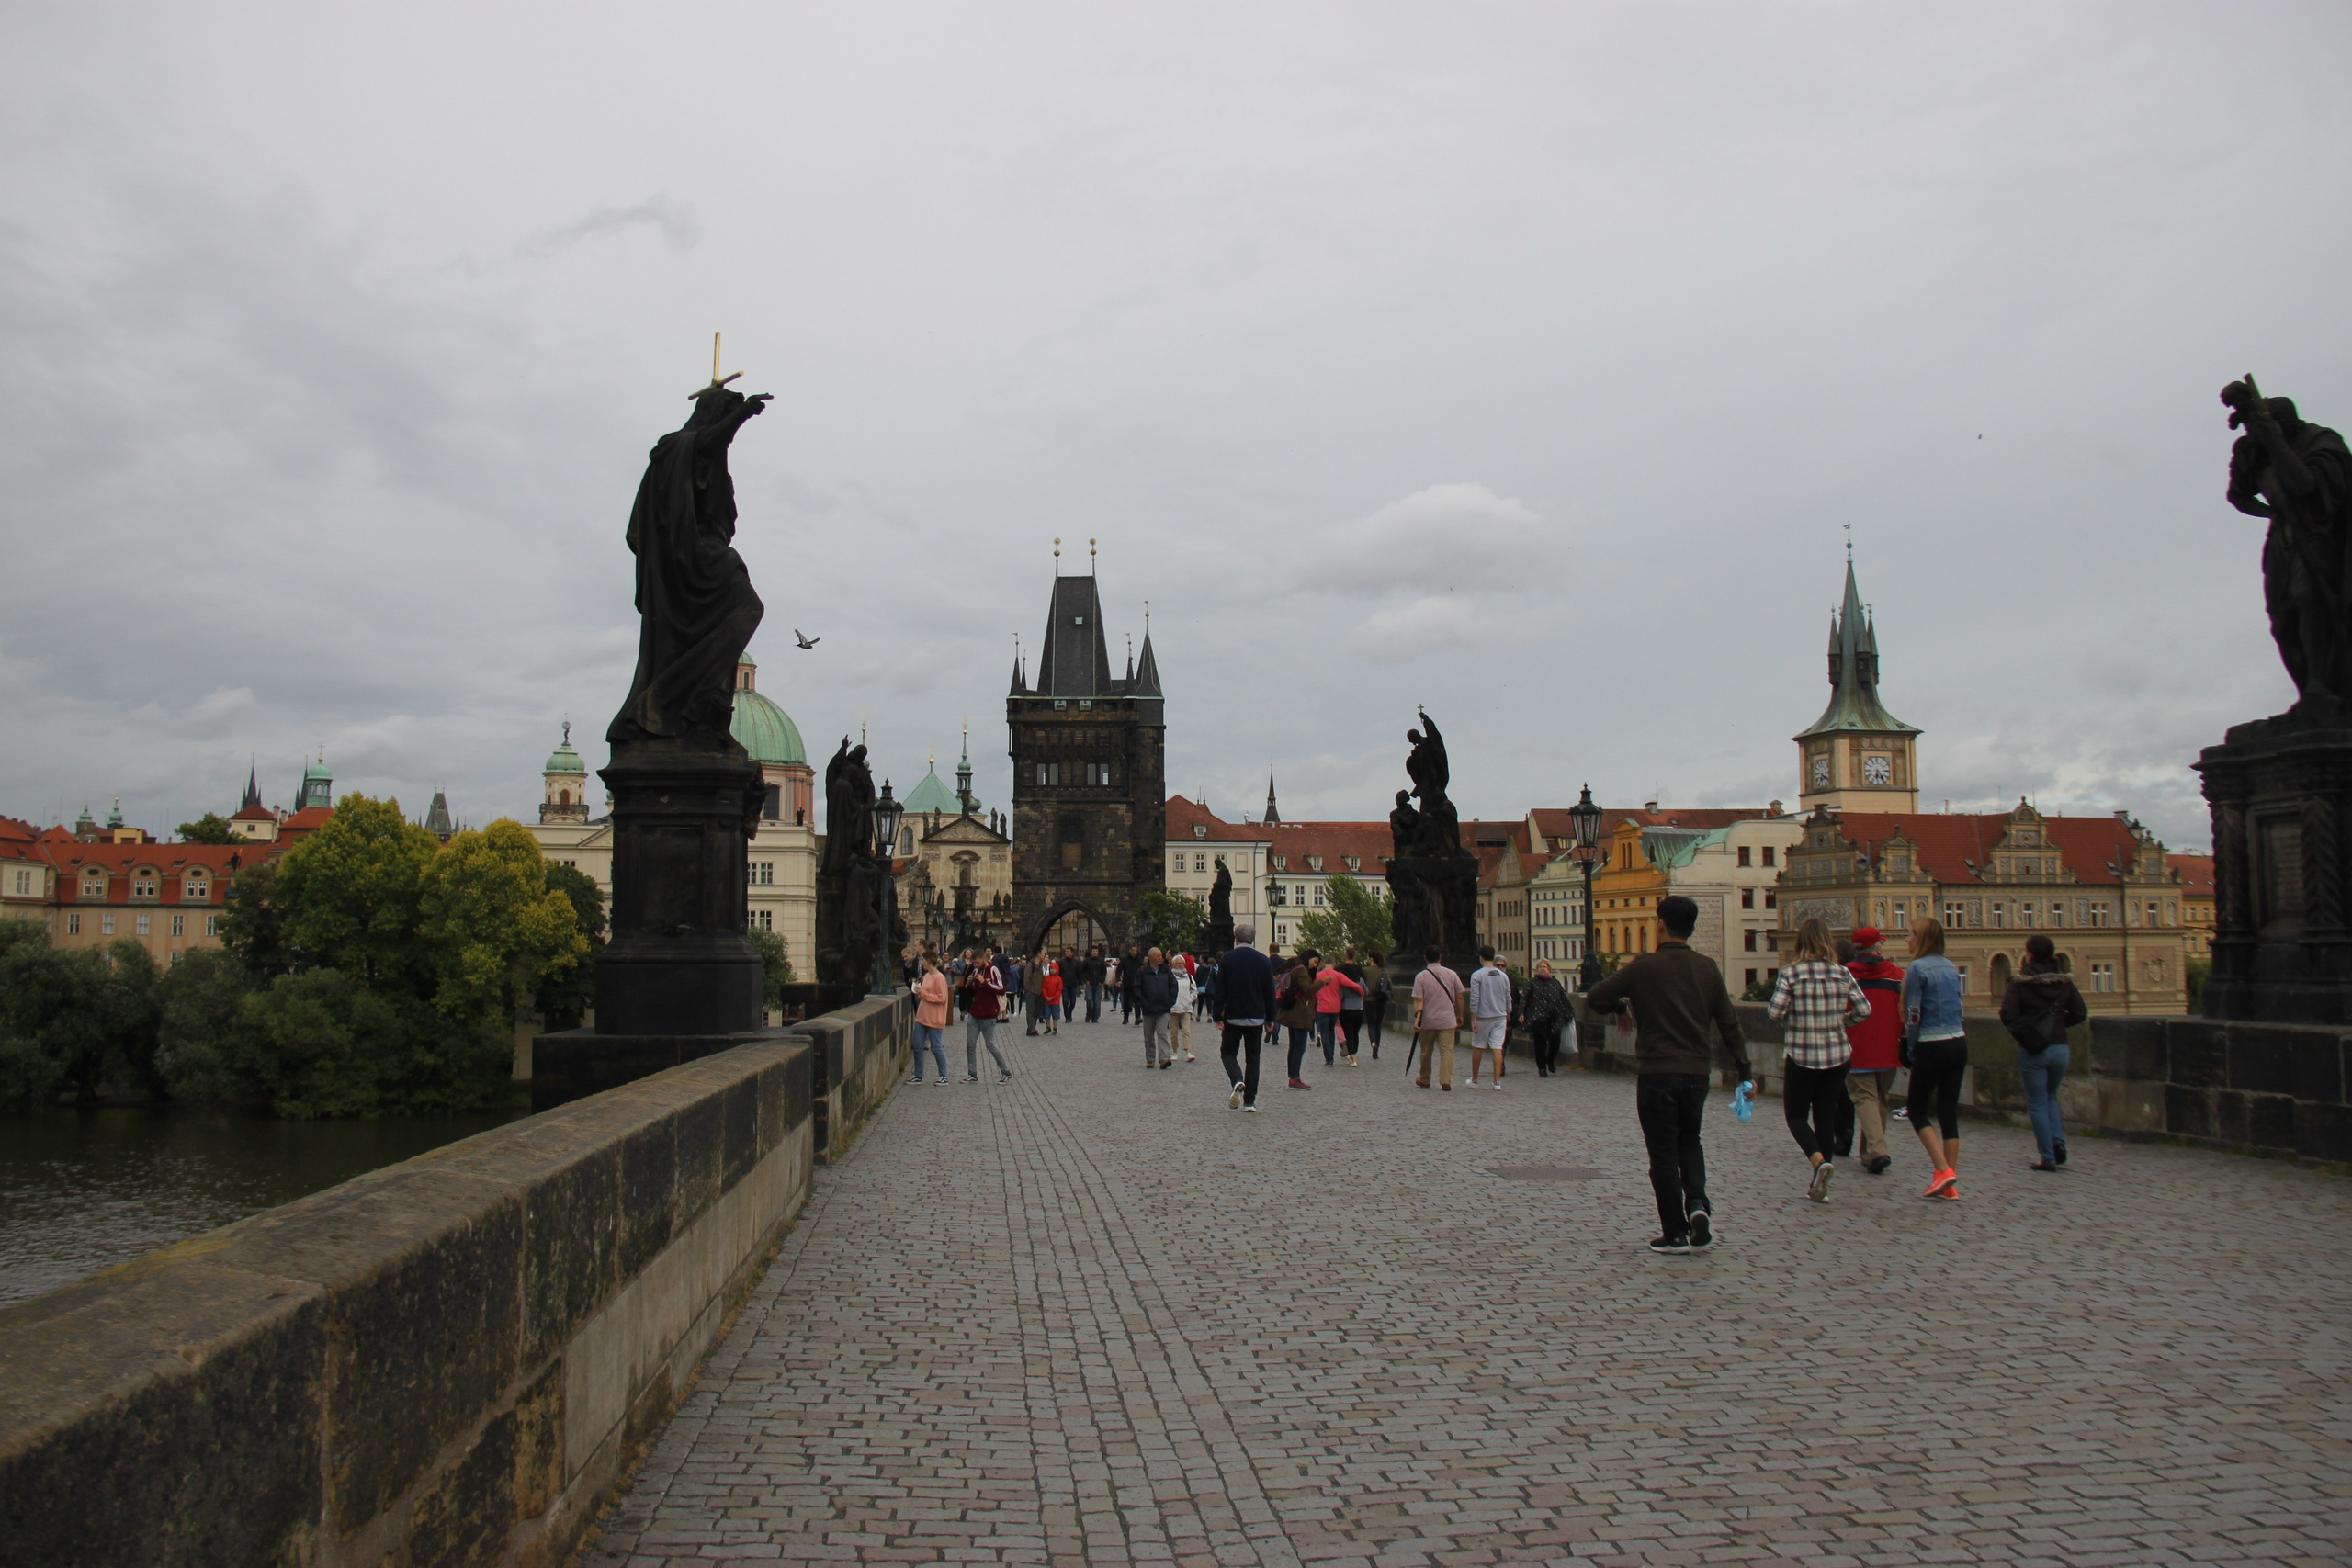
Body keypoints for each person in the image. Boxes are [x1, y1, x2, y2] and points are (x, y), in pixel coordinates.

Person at [1585, 894, 1753, 1255]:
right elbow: (1729, 1024)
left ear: (1661, 924)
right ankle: (1697, 1203)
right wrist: (1744, 1071)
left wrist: (1622, 1006)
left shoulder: (1643, 966)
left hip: (1658, 1072)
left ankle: (1675, 1232)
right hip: (1696, 1073)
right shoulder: (1708, 967)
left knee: (1662, 1154)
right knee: (1690, 1141)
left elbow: (1595, 998)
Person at [1766, 918, 1869, 1202]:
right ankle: (1819, 1184)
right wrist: (1840, 1022)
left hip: (1802, 1054)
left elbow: (1775, 1012)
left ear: (1800, 943)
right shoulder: (1842, 974)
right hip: (1837, 1054)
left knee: (1796, 1116)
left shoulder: (1791, 974)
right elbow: (1864, 1010)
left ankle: (1818, 1162)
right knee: (1824, 1116)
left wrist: (1796, 1021)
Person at [2000, 933, 2088, 1171]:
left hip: (2033, 1050)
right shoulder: (2064, 982)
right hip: (2060, 1048)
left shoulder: (2020, 983)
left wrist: (2030, 1032)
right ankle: (2058, 1142)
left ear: (2029, 954)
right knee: (2050, 1096)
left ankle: (2047, 1157)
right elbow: (2080, 1013)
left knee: (2037, 1101)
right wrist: (2058, 1025)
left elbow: (2007, 1015)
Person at [1901, 919, 1968, 1200]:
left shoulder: (1917, 969)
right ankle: (1948, 1184)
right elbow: (1959, 1006)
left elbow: (1914, 1012)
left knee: (1916, 1109)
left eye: (1911, 934)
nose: (1907, 939)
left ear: (1923, 938)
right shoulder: (1951, 967)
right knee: (1948, 1111)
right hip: (1958, 1041)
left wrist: (1910, 1045)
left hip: (1931, 1043)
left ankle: (1942, 1169)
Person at [1842, 926, 1905, 1174]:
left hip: (1856, 1045)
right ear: (1878, 946)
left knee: (1865, 1098)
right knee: (1880, 1100)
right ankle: (1869, 1154)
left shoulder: (1845, 975)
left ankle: (1877, 1151)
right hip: (1890, 1046)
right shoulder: (1896, 975)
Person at [1215, 924, 1279, 1111]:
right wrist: (1270, 1018)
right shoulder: (1263, 961)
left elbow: (1221, 989)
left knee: (1227, 1053)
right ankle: (1250, 1101)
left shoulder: (1228, 958)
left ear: (1236, 938)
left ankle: (1237, 1080)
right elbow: (1269, 992)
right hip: (1256, 1017)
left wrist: (1217, 1014)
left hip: (1233, 1016)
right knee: (1253, 1059)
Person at [1409, 947, 1465, 1091]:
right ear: (1440, 958)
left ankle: (1425, 1078)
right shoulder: (1452, 974)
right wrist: (1460, 1015)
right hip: (1447, 1019)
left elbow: (1419, 1000)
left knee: (1426, 1051)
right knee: (1447, 1051)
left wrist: (1417, 1019)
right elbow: (1460, 996)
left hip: (1427, 1020)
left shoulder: (1421, 977)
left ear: (1425, 958)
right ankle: (1445, 1081)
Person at [957, 948, 1014, 1082]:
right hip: (975, 1013)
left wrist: (984, 982)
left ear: (984, 959)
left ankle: (1005, 1071)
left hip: (988, 1014)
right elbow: (972, 994)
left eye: (977, 963)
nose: (975, 966)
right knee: (970, 1045)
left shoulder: (994, 970)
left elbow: (1001, 989)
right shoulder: (976, 971)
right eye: (974, 964)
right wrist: (970, 984)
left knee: (990, 1044)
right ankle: (972, 1074)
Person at [1276, 950, 1325, 1089]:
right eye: (1315, 961)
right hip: (1299, 1013)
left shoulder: (1294, 967)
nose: (1315, 965)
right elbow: (1308, 990)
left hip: (1292, 1012)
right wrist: (1322, 983)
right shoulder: (1302, 970)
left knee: (1294, 1046)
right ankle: (1294, 1078)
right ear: (1309, 958)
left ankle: (1292, 1075)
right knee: (1300, 1046)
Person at [1466, 946, 1512, 1090]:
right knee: (1497, 1047)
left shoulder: (1477, 975)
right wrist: (1508, 1013)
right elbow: (1507, 996)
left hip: (1483, 1016)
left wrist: (1473, 1018)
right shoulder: (1502, 975)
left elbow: (1475, 998)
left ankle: (1475, 1079)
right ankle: (1497, 1082)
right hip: (1500, 1015)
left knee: (1478, 1046)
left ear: (1481, 957)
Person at [1314, 952, 1363, 1067]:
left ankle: (1329, 1058)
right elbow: (1353, 985)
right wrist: (1361, 993)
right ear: (1334, 964)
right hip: (1335, 1007)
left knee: (1324, 1032)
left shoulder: (1318, 976)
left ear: (1324, 963)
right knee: (1331, 1030)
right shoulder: (1338, 975)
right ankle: (1331, 1055)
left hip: (1322, 1007)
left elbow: (1314, 991)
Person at [1521, 958, 1571, 1077]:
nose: (1542, 969)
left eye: (1544, 967)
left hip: (1554, 1017)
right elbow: (1524, 998)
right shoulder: (1532, 983)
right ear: (1537, 969)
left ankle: (1550, 1060)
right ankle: (1542, 1067)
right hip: (1538, 1018)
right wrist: (1521, 1013)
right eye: (1540, 967)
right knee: (1540, 1044)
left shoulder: (1555, 983)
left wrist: (1569, 1012)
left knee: (1555, 1042)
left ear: (1549, 969)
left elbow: (1563, 998)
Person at [1136, 946, 1181, 1067]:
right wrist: (1142, 1003)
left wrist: (1170, 1000)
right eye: (1158, 956)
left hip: (1163, 1008)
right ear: (1151, 958)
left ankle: (1164, 1058)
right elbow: (1137, 988)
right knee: (1149, 1036)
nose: (1161, 958)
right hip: (1148, 1008)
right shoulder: (1143, 971)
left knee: (1162, 1034)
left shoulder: (1166, 970)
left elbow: (1173, 985)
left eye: (1161, 955)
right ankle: (1150, 1059)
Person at [910, 956, 951, 1085]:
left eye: (924, 961)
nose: (922, 963)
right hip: (922, 1016)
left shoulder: (939, 978)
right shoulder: (926, 976)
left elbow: (942, 998)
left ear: (930, 962)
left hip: (934, 1017)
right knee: (917, 1046)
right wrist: (919, 991)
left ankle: (943, 1075)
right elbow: (924, 993)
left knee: (936, 1047)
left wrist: (923, 993)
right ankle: (918, 1075)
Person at [1334, 948, 1369, 1066]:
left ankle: (1352, 1055)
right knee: (1355, 1033)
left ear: (1345, 955)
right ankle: (1354, 1052)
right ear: (1355, 957)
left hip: (1346, 1008)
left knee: (1348, 1032)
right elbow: (1366, 991)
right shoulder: (1360, 975)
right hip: (1358, 1008)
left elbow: (1340, 994)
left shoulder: (1339, 970)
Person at [1363, 951, 1390, 1059]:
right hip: (1381, 1000)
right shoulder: (1384, 972)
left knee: (1371, 1024)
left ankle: (1373, 1043)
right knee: (1378, 1025)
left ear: (1371, 959)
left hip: (1369, 1000)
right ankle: (1377, 1049)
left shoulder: (1365, 971)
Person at [1172, 958, 1198, 1061]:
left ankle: (1188, 1051)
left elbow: (1194, 991)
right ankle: (1174, 1051)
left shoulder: (1189, 977)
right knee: (1174, 1032)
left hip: (1186, 1006)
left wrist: (1189, 999)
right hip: (1173, 1007)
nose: (1180, 965)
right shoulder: (1170, 976)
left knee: (1186, 1030)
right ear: (1174, 964)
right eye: (1178, 963)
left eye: (1182, 963)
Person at [1023, 951, 1048, 1035]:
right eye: (1043, 953)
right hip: (1031, 992)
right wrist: (1029, 990)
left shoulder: (1041, 966)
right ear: (1038, 954)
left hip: (1039, 992)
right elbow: (1026, 979)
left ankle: (1031, 1028)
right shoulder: (1030, 966)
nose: (1044, 955)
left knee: (1036, 1011)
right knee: (1030, 1010)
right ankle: (1031, 1028)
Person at [1041, 959, 1065, 1035]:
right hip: (1047, 1000)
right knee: (1047, 1014)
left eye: (1054, 969)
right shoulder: (1046, 978)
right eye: (1051, 969)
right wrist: (1046, 996)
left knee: (1055, 1015)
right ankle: (1048, 1027)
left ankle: (1055, 1028)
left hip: (1055, 1001)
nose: (1052, 970)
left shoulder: (1059, 979)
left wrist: (1053, 997)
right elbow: (1044, 988)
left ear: (1057, 969)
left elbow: (1059, 990)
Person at [1083, 945, 1105, 1023]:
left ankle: (1095, 1017)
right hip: (1089, 983)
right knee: (1089, 999)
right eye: (1094, 951)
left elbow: (1104, 972)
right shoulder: (1087, 961)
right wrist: (1085, 980)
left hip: (1098, 984)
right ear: (1091, 952)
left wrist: (1101, 981)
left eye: (1097, 951)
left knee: (1097, 1001)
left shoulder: (1101, 961)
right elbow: (1082, 971)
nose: (1095, 952)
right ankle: (1089, 1014)